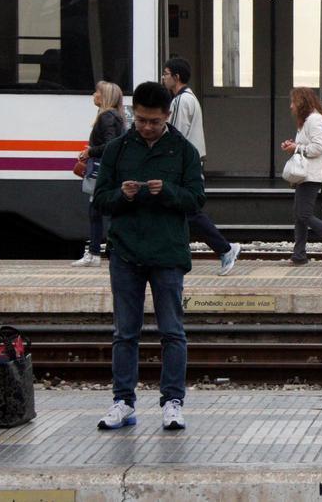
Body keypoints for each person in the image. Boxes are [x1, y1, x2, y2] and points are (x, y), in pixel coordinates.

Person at [92, 81, 205, 430]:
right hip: (125, 252)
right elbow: (99, 200)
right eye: (140, 120)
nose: (146, 127)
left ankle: (173, 401)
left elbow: (196, 200)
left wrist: (167, 191)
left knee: (172, 331)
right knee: (125, 332)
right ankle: (123, 401)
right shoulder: (116, 149)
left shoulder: (183, 151)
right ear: (132, 114)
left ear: (167, 116)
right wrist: (122, 196)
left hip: (168, 253)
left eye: (154, 121)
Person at [161, 58, 240, 276]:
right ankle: (187, 254)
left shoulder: (179, 102)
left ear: (176, 77)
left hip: (184, 165)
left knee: (190, 213)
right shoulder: (191, 98)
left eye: (166, 74)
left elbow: (174, 134)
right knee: (185, 213)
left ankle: (225, 249)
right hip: (192, 162)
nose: (163, 78)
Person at [71, 81, 126, 268]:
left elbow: (111, 145)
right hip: (109, 171)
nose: (94, 95)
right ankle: (105, 251)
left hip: (103, 172)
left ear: (105, 97)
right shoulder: (114, 116)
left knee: (96, 211)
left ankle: (95, 253)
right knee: (102, 211)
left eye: (97, 92)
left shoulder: (107, 117)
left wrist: (91, 152)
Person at [281, 87, 322, 266]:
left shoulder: (315, 120)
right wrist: (293, 145)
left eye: (293, 102)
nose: (291, 106)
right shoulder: (308, 120)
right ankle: (299, 255)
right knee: (298, 215)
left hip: (312, 175)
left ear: (302, 102)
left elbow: (319, 147)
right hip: (305, 175)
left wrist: (297, 148)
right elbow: (308, 144)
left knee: (304, 214)